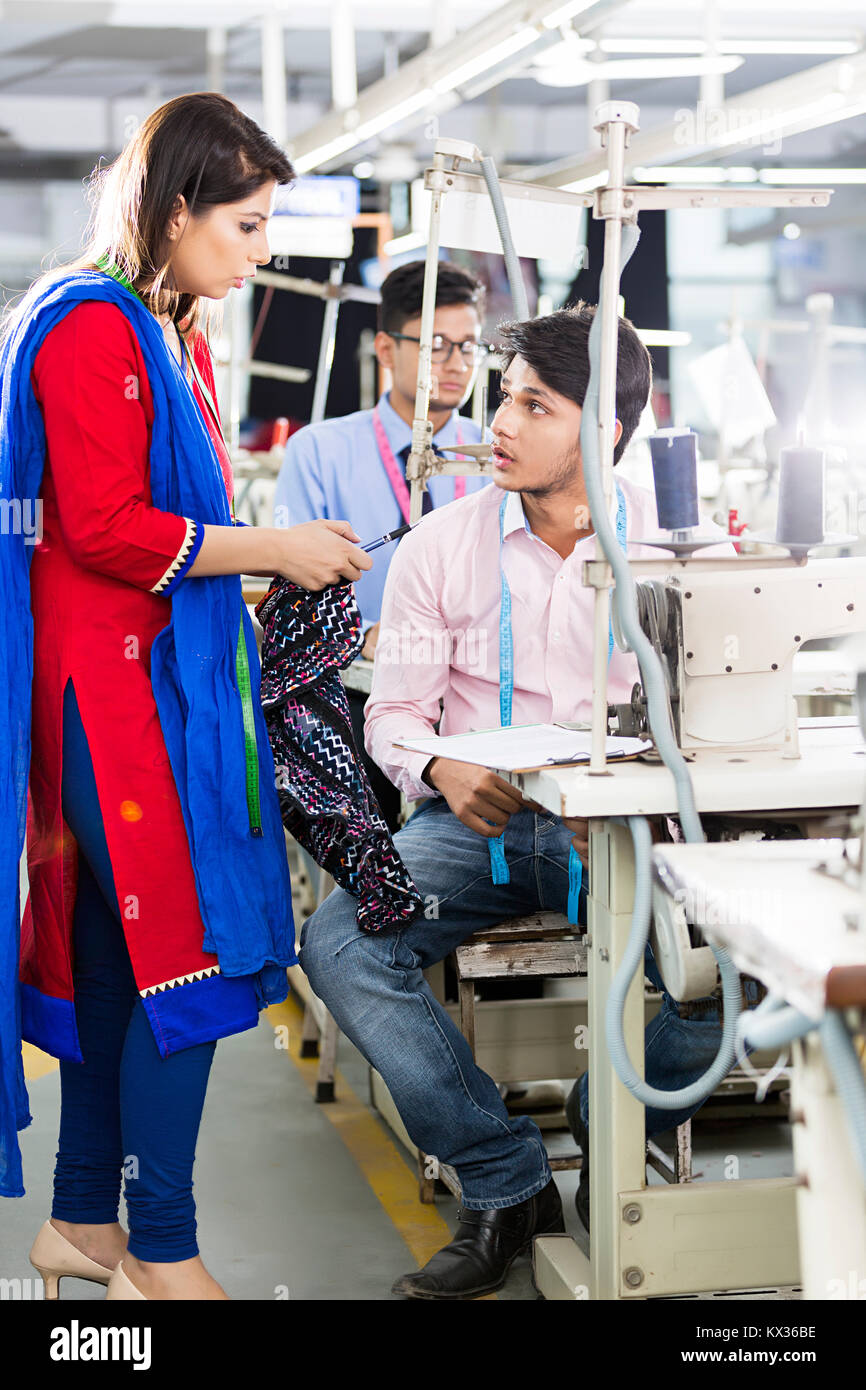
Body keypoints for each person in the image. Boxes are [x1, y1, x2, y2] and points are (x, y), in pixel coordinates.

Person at [0, 91, 372, 1300]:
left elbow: (165, 535)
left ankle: (82, 1225)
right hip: (108, 704)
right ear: (173, 211)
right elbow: (106, 530)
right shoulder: (89, 331)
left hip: (146, 684)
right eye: (247, 226)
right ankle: (162, 1246)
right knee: (192, 965)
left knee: (118, 969)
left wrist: (253, 581)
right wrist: (271, 551)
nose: (258, 252)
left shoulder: (168, 336)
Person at [298, 303, 734, 1300]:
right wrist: (437, 769)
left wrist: (636, 789)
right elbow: (393, 715)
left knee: (727, 962)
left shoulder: (675, 554)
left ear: (601, 431)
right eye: (502, 397)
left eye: (531, 405)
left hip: (615, 827)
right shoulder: (437, 548)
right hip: (475, 823)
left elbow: (703, 720)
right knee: (339, 943)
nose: (494, 423)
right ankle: (505, 1177)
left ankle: (608, 1113)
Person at [273, 259, 491, 829]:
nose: (456, 364)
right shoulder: (319, 452)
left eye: (469, 347)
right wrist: (363, 632)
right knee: (365, 771)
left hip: (476, 682)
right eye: (437, 344)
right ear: (387, 350)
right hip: (361, 679)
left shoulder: (496, 455)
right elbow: (294, 595)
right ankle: (385, 877)